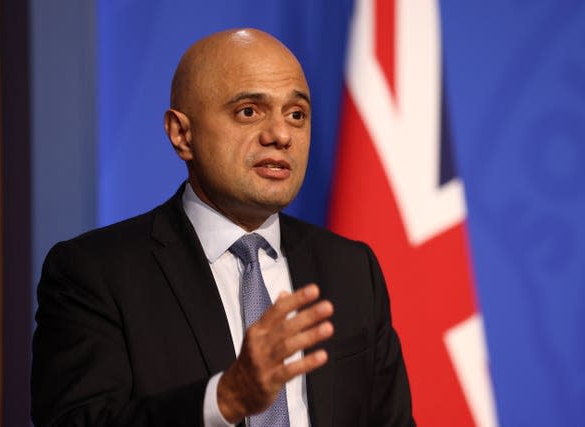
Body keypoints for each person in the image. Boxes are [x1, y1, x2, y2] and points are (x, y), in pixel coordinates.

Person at [31, 28, 415, 426]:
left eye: (296, 115)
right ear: (182, 134)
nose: (280, 135)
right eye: (248, 111)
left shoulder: (351, 269)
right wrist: (226, 398)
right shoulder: (95, 273)